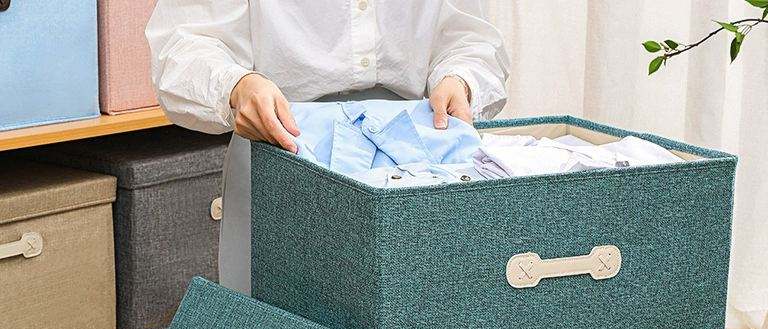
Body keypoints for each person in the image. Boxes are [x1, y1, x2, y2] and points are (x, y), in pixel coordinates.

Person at [146, 1, 510, 294]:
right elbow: (184, 44)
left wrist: (460, 78)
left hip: (416, 157)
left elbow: (469, 37)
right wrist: (236, 86)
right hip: (278, 146)